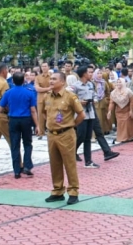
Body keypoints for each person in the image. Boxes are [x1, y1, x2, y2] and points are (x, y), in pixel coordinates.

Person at [43, 71, 85, 205]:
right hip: (51, 134)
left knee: (69, 164)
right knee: (54, 164)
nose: (51, 81)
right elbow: (45, 113)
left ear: (62, 82)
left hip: (66, 134)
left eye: (54, 79)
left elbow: (81, 115)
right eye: (50, 79)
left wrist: (71, 125)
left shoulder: (70, 96)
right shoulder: (47, 96)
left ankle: (73, 192)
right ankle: (57, 191)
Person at [0, 72, 41, 179]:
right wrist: (37, 125)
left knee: (15, 145)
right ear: (24, 81)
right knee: (27, 144)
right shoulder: (29, 93)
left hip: (13, 120)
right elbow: (33, 110)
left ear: (12, 81)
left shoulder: (8, 93)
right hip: (26, 120)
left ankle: (16, 170)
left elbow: (1, 107)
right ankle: (27, 166)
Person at [75, 65, 120, 165]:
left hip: (91, 111)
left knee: (98, 132)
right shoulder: (75, 86)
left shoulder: (90, 84)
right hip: (81, 113)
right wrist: (79, 102)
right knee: (81, 136)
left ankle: (106, 152)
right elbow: (70, 99)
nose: (91, 74)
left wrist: (95, 99)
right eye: (89, 72)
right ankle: (72, 151)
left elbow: (94, 94)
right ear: (83, 74)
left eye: (92, 72)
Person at [107, 77, 133, 143]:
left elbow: (132, 101)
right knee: (121, 125)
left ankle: (130, 137)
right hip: (119, 111)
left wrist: (131, 110)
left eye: (120, 82)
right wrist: (109, 111)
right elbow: (111, 103)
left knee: (128, 124)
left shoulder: (128, 91)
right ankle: (122, 138)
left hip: (127, 110)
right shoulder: (113, 93)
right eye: (117, 82)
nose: (119, 83)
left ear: (124, 83)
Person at [33, 62, 52, 140]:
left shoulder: (52, 76)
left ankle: (51, 130)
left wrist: (43, 89)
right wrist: (47, 89)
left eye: (45, 66)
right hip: (40, 98)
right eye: (42, 66)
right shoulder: (38, 77)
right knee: (40, 115)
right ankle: (41, 132)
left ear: (48, 67)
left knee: (50, 115)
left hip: (50, 98)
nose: (44, 68)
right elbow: (37, 88)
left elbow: (53, 87)